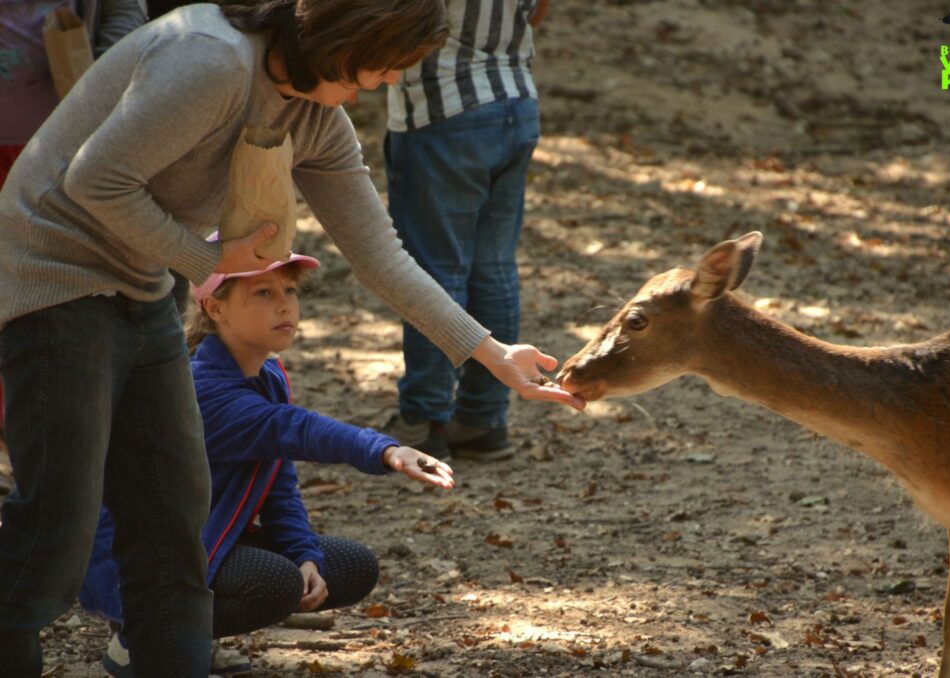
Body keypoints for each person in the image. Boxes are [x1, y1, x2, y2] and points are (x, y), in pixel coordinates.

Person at [0, 0, 582, 674]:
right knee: (58, 529)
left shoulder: (314, 116)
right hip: (52, 279)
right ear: (347, 36)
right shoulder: (211, 58)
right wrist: (207, 261)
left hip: (143, 287)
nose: (392, 81)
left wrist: (490, 352)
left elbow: (379, 254)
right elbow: (93, 180)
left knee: (172, 524)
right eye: (388, 62)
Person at [80, 248, 454, 676]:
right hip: (134, 563)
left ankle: (188, 640)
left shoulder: (265, 373)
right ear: (215, 308)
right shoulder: (201, 387)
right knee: (276, 583)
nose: (285, 305)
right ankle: (142, 640)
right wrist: (386, 451)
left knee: (350, 566)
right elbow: (295, 429)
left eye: (289, 290)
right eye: (263, 292)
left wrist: (304, 555)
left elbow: (278, 480)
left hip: (206, 537)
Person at [384, 0, 552, 461]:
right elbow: (535, 13)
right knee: (494, 267)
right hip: (516, 97)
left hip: (443, 104)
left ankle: (423, 417)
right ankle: (483, 418)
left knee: (435, 270)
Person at [0, 0, 146, 449]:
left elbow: (125, 10)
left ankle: (31, 441)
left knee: (45, 301)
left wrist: (104, 80)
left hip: (65, 151)